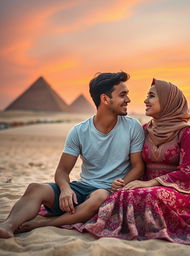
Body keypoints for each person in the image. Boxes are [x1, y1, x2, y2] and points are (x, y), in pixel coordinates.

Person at [62, 78, 190, 244]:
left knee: (148, 196)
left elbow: (188, 173)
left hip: (182, 191)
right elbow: (134, 163)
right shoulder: (144, 130)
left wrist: (149, 183)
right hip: (144, 186)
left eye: (152, 96)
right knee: (119, 194)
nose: (145, 100)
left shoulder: (185, 132)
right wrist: (124, 182)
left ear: (168, 101)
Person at [0, 71, 145, 239]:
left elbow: (138, 166)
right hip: (82, 188)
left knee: (99, 195)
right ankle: (7, 225)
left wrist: (123, 182)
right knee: (35, 188)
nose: (128, 99)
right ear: (105, 99)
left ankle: (45, 223)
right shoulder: (79, 131)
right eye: (123, 95)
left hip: (106, 191)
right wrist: (65, 189)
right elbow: (62, 170)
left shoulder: (132, 127)